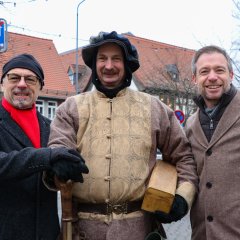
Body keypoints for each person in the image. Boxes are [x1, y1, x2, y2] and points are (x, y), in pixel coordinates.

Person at [47, 31, 198, 240]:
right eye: (102, 58)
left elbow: (184, 157)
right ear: (94, 64)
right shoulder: (70, 108)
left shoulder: (154, 108)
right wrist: (58, 158)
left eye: (116, 59)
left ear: (127, 64)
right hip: (82, 231)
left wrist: (182, 197)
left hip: (139, 229)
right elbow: (58, 143)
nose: (109, 66)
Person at [0, 53, 89, 240]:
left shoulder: (51, 128)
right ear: (2, 84)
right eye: (14, 78)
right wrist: (47, 156)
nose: (22, 84)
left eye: (30, 79)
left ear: (40, 86)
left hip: (47, 234)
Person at [185, 45, 240, 239]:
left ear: (231, 75)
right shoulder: (190, 124)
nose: (212, 77)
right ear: (195, 79)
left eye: (219, 70)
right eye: (204, 72)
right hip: (201, 234)